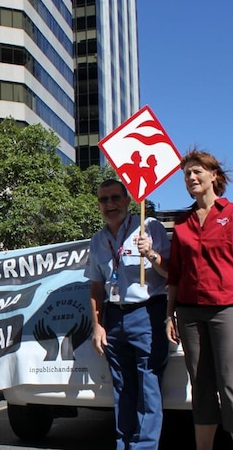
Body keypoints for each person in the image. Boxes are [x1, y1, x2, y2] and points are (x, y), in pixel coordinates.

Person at [165, 150, 233, 450]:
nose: (191, 178)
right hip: (189, 313)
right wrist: (170, 315)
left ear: (214, 176)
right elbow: (175, 276)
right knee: (201, 386)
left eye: (197, 172)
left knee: (232, 383)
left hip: (227, 309)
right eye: (186, 175)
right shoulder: (182, 223)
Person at [85, 179, 170, 450]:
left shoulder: (149, 227)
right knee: (122, 387)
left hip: (148, 313)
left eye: (115, 198)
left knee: (148, 385)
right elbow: (96, 287)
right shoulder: (98, 240)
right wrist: (98, 326)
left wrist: (152, 255)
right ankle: (124, 443)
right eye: (103, 200)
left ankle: (144, 446)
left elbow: (172, 271)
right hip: (114, 317)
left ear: (128, 200)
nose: (110, 204)